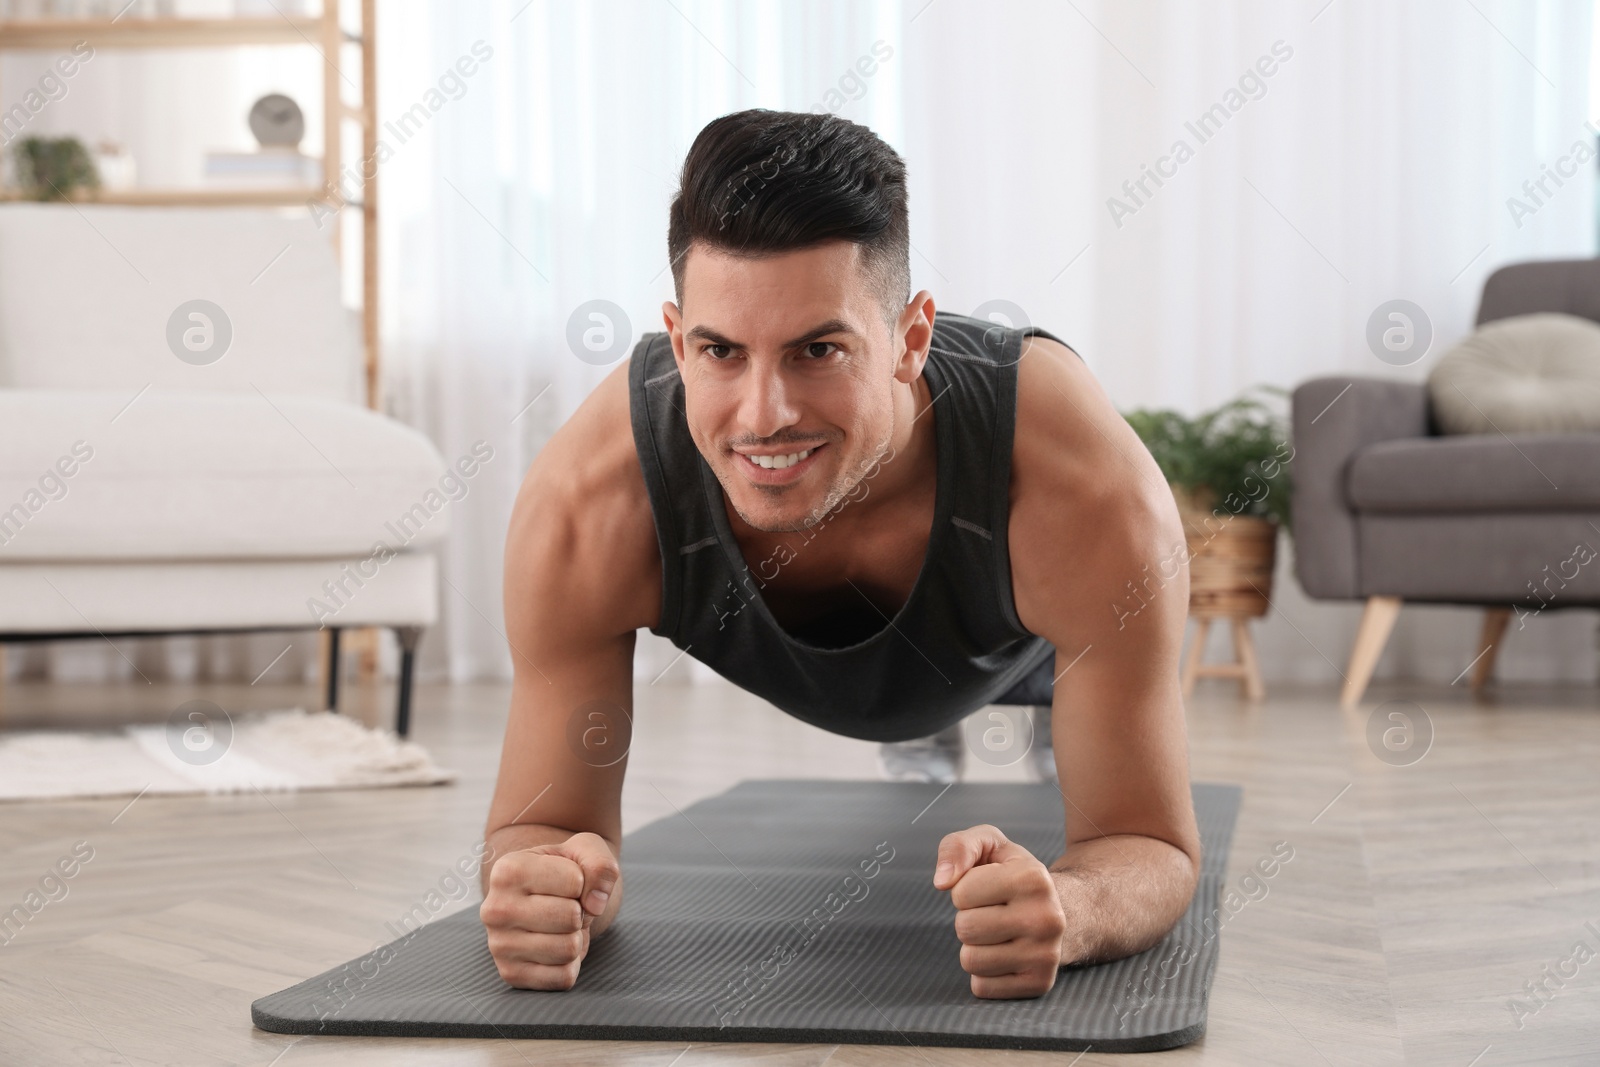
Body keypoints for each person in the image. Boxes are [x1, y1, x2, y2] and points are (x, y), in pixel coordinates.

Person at [478, 108, 1200, 1001]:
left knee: (1068, 687)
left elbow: (1151, 842)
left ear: (912, 338)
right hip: (889, 622)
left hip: (1011, 631)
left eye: (818, 348)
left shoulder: (1081, 493)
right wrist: (546, 885)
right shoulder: (587, 506)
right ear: (675, 340)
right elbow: (540, 826)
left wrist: (1074, 904)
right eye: (721, 351)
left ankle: (1047, 709)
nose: (763, 414)